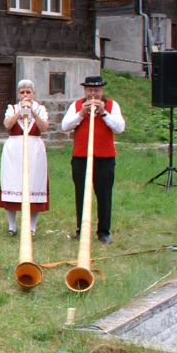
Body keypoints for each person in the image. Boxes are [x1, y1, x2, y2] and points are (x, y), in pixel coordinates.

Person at [61, 75, 125, 244]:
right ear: (85, 91)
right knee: (81, 194)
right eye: (89, 90)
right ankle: (82, 230)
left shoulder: (112, 105)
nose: (93, 94)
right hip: (81, 156)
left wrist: (104, 113)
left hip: (105, 157)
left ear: (102, 90)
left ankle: (104, 232)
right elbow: (65, 126)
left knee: (104, 195)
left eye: (96, 90)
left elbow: (120, 128)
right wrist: (81, 114)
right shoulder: (76, 105)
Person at [0, 79, 49, 236]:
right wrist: (20, 112)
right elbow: (7, 124)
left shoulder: (40, 108)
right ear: (18, 94)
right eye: (22, 92)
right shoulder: (12, 108)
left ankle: (32, 227)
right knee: (12, 183)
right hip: (14, 150)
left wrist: (33, 112)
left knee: (34, 184)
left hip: (34, 149)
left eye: (28, 92)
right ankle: (12, 226)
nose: (25, 95)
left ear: (33, 93)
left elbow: (44, 127)